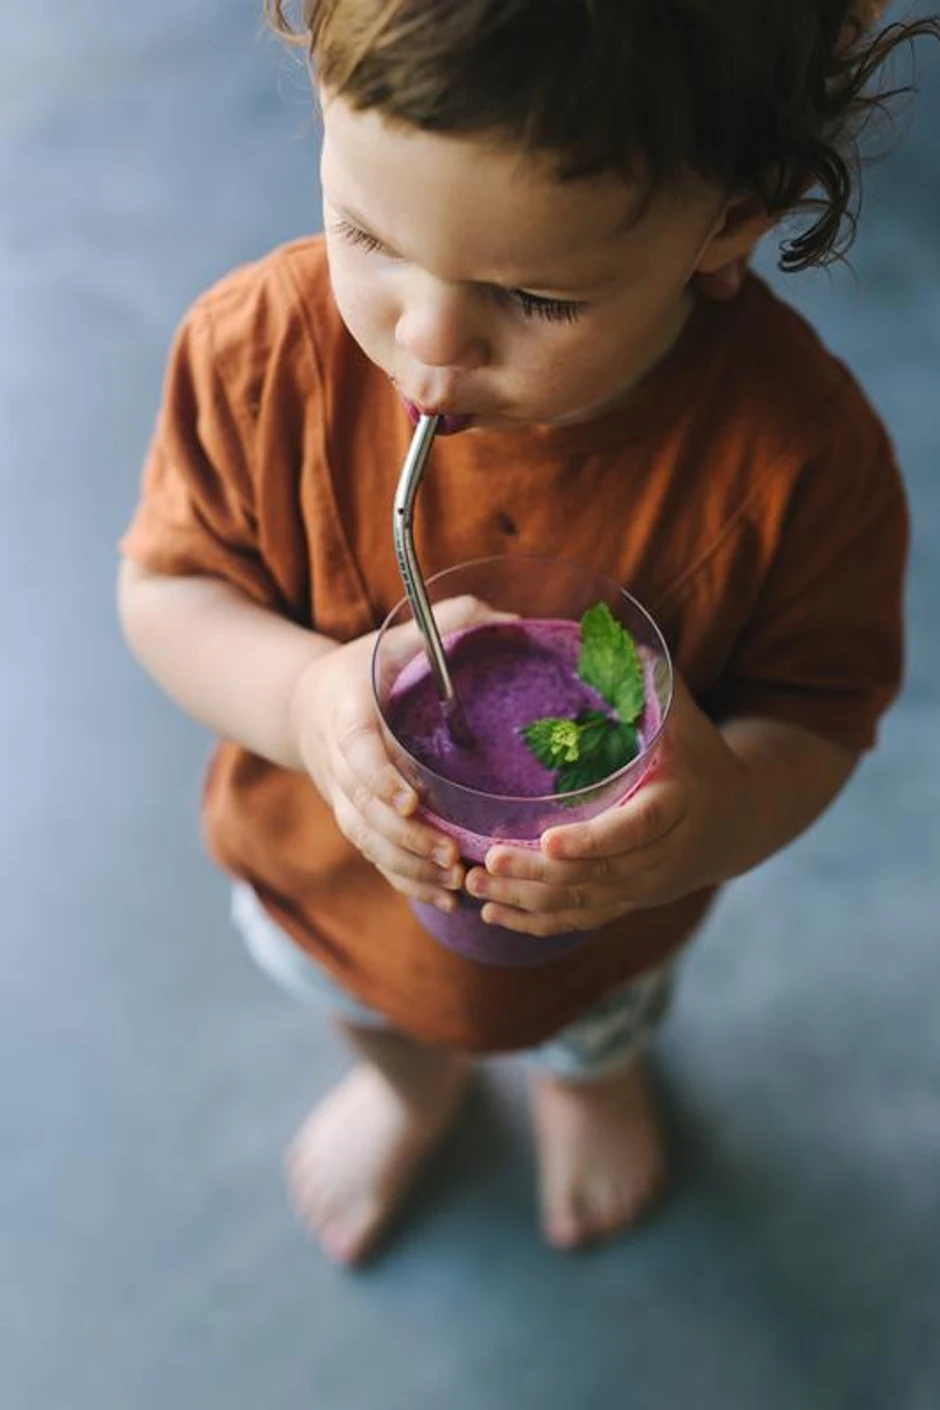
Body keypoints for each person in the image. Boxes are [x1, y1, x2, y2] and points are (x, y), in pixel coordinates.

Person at [117, 0, 935, 1265]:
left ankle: (585, 1081)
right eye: (365, 234)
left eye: (533, 296)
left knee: (594, 1021)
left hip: (603, 931)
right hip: (323, 881)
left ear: (729, 220)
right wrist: (303, 704)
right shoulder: (259, 356)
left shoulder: (794, 466)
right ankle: (408, 1086)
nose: (427, 341)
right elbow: (168, 591)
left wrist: (722, 816)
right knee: (350, 999)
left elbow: (819, 712)